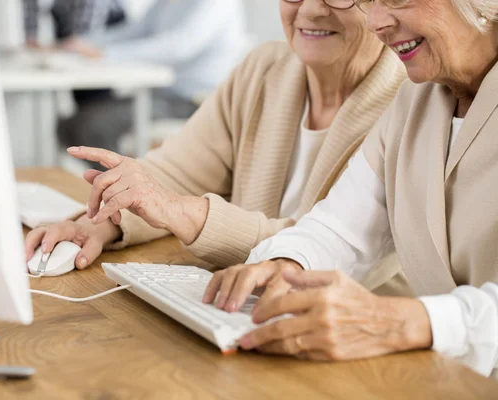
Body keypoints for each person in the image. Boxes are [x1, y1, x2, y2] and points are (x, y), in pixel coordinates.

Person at [26, 0, 409, 295]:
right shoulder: (263, 69)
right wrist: (99, 224)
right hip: (242, 306)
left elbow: (325, 248)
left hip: (354, 346)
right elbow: (172, 173)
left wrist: (182, 212)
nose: (310, 9)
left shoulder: (411, 102)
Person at [202, 0, 498, 380]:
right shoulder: (416, 99)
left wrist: (413, 321)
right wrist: (285, 266)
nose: (375, 22)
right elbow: (341, 227)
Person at [58, 0, 247, 152]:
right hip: (161, 94)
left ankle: (125, 191)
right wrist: (80, 44)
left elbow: (178, 47)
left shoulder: (217, 3)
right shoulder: (167, 3)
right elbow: (135, 32)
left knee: (91, 127)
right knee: (69, 125)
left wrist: (107, 54)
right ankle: (117, 189)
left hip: (194, 102)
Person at [22, 0, 118, 58]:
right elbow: (31, 40)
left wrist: (79, 44)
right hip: (67, 25)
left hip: (106, 28)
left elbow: (82, 42)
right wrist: (32, 39)